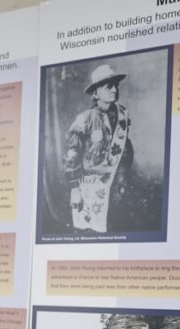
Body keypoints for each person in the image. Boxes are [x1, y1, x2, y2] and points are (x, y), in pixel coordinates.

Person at [63, 64, 134, 233]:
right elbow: (72, 155)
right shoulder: (84, 120)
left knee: (113, 229)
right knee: (87, 231)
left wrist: (123, 177)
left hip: (114, 186)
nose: (114, 90)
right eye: (108, 86)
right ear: (95, 93)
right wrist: (74, 189)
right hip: (88, 188)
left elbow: (125, 150)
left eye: (116, 85)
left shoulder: (122, 115)